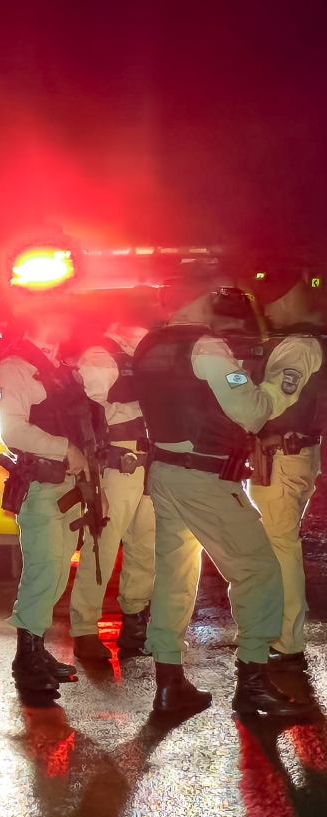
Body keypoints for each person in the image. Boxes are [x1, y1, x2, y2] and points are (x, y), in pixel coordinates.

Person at [133, 264, 301, 717]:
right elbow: (251, 410)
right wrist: (280, 389)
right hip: (203, 476)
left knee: (174, 574)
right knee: (259, 571)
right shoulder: (207, 348)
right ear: (197, 299)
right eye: (210, 295)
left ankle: (169, 684)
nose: (217, 301)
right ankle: (253, 683)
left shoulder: (149, 344)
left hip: (164, 471)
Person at [0, 295, 95, 693]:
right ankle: (26, 660)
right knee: (42, 573)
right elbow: (12, 431)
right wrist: (64, 449)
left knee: (53, 574)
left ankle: (35, 650)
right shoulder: (15, 367)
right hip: (41, 485)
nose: (71, 318)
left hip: (65, 487)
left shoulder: (56, 366)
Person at [68, 289, 159, 662]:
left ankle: (135, 624)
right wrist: (152, 386)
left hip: (149, 462)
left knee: (146, 548)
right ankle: (85, 629)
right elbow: (97, 398)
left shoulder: (149, 355)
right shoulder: (100, 354)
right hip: (116, 464)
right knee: (101, 548)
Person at [245, 267, 324, 672]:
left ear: (288, 297)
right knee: (281, 545)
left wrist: (242, 397)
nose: (265, 310)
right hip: (290, 455)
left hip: (282, 457)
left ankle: (287, 640)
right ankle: (285, 634)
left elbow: (276, 399)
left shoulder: (297, 345)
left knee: (280, 549)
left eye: (269, 301)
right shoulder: (299, 340)